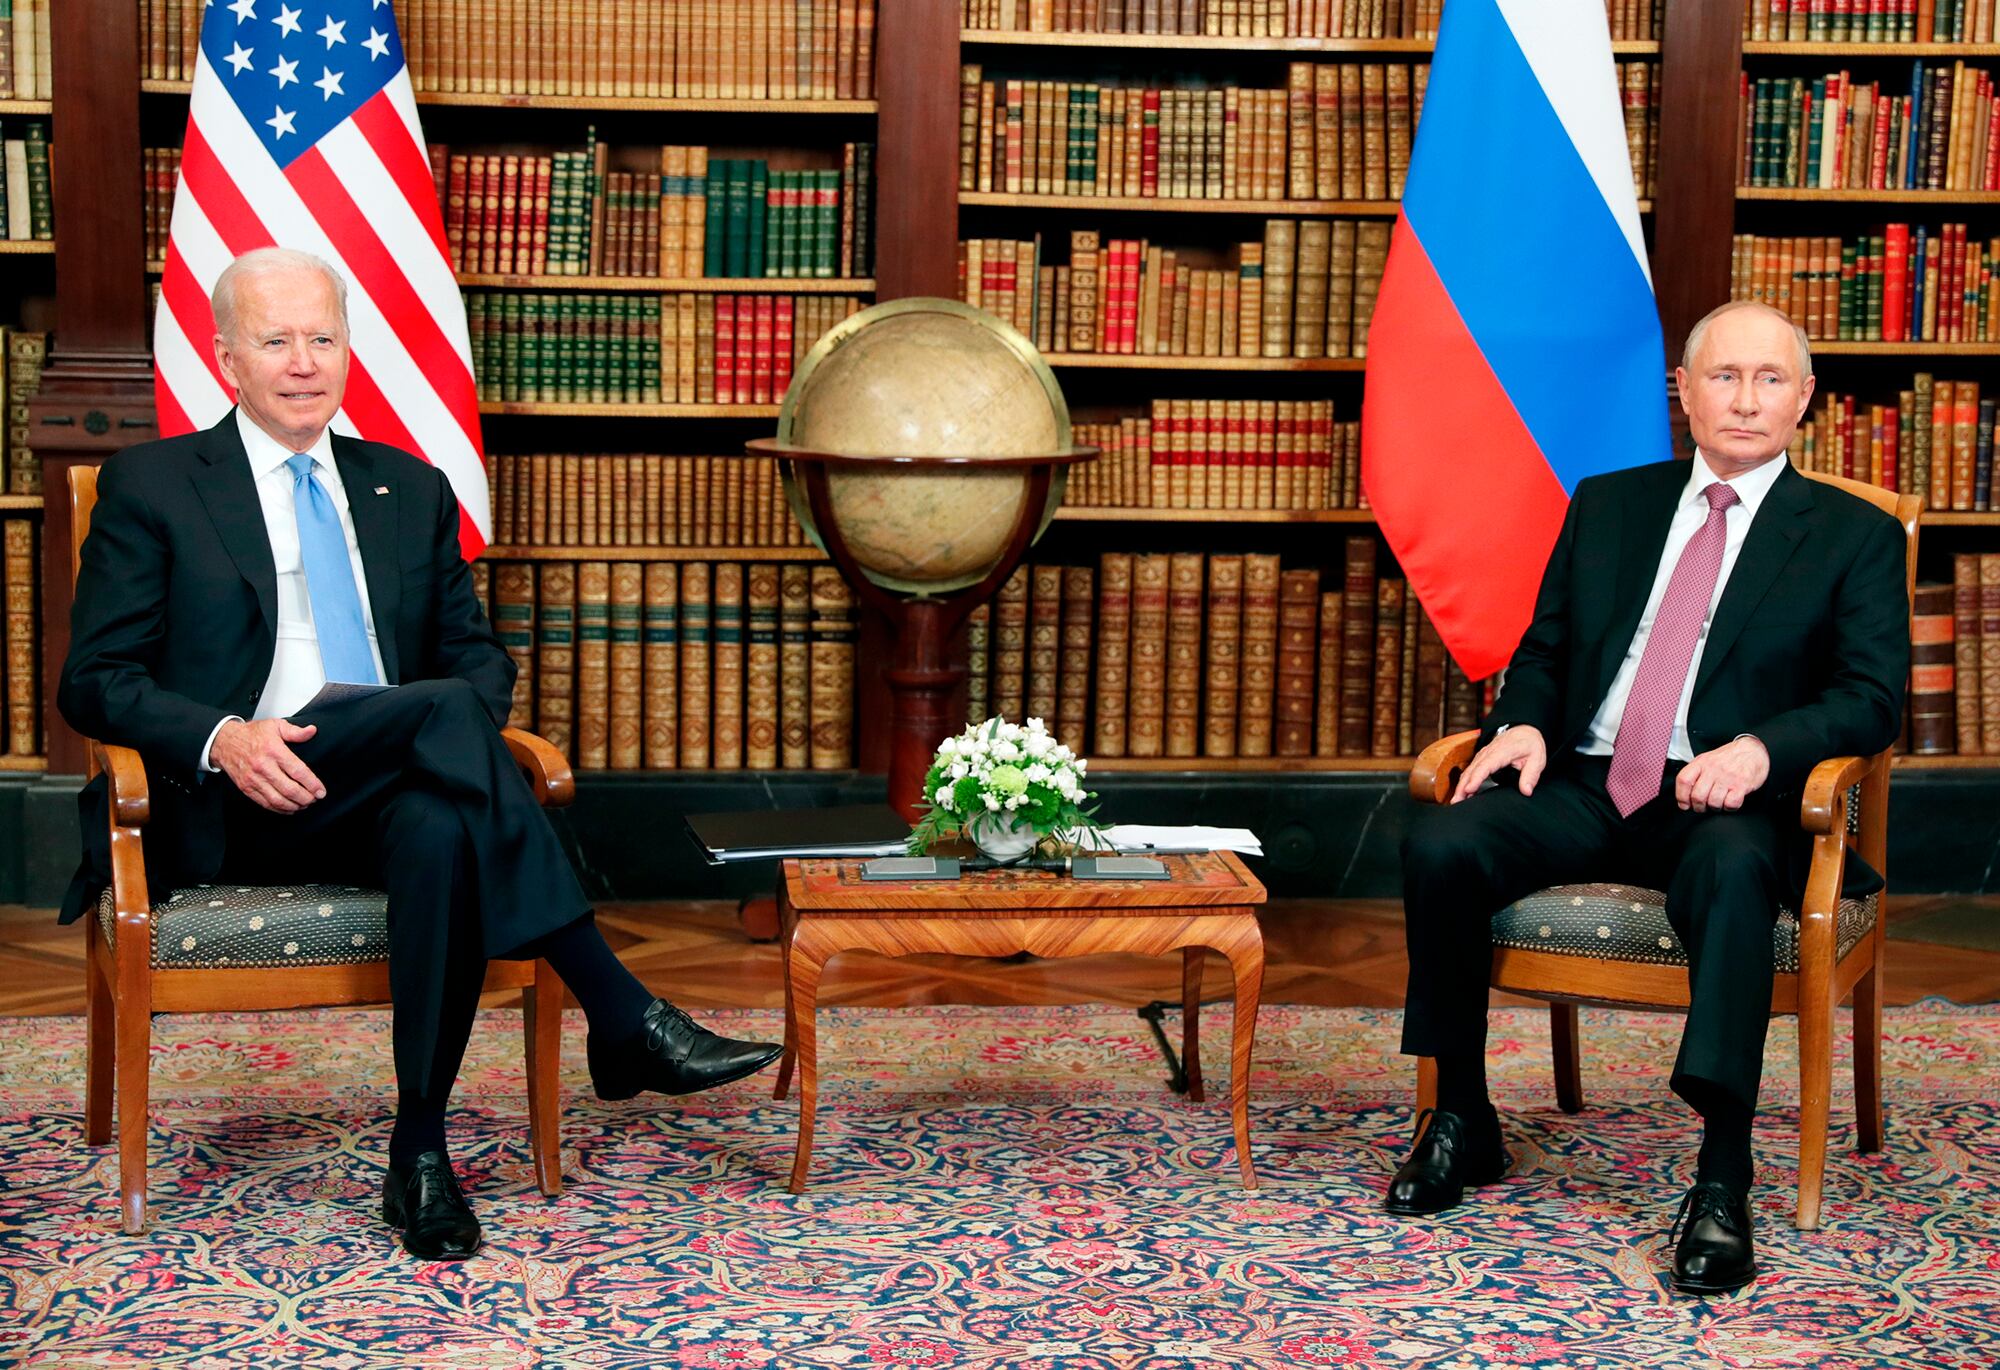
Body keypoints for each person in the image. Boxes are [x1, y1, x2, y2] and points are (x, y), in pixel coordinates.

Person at [58, 248, 781, 1261]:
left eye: (323, 337)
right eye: (276, 340)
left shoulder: (407, 485)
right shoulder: (154, 485)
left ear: (350, 348)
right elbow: (94, 679)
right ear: (228, 358)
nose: (304, 361)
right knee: (439, 729)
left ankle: (420, 1152)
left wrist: (432, 727)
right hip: (234, 802)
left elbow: (476, 658)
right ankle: (618, 1010)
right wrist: (227, 735)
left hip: (383, 790)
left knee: (441, 804)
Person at [1387, 301, 1908, 1294]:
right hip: (1584, 781)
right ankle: (1461, 1112)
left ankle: (1719, 1173)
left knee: (1735, 870)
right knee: (1442, 841)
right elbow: (1542, 651)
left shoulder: (1851, 536)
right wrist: (1523, 722)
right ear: (1682, 390)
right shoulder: (1609, 503)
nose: (1743, 399)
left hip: (1723, 801)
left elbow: (1869, 699)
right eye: (1722, 376)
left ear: (1802, 399)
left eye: (1767, 379)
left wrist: (1761, 748)